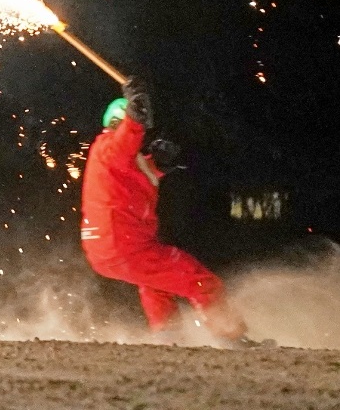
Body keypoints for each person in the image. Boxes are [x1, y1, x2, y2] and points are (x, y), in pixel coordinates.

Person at [80, 78, 251, 344]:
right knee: (201, 281)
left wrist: (158, 164)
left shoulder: (113, 159)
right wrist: (135, 113)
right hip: (125, 246)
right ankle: (230, 336)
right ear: (118, 122)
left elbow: (134, 177)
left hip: (107, 249)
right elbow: (126, 139)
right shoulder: (111, 145)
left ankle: (168, 336)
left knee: (156, 282)